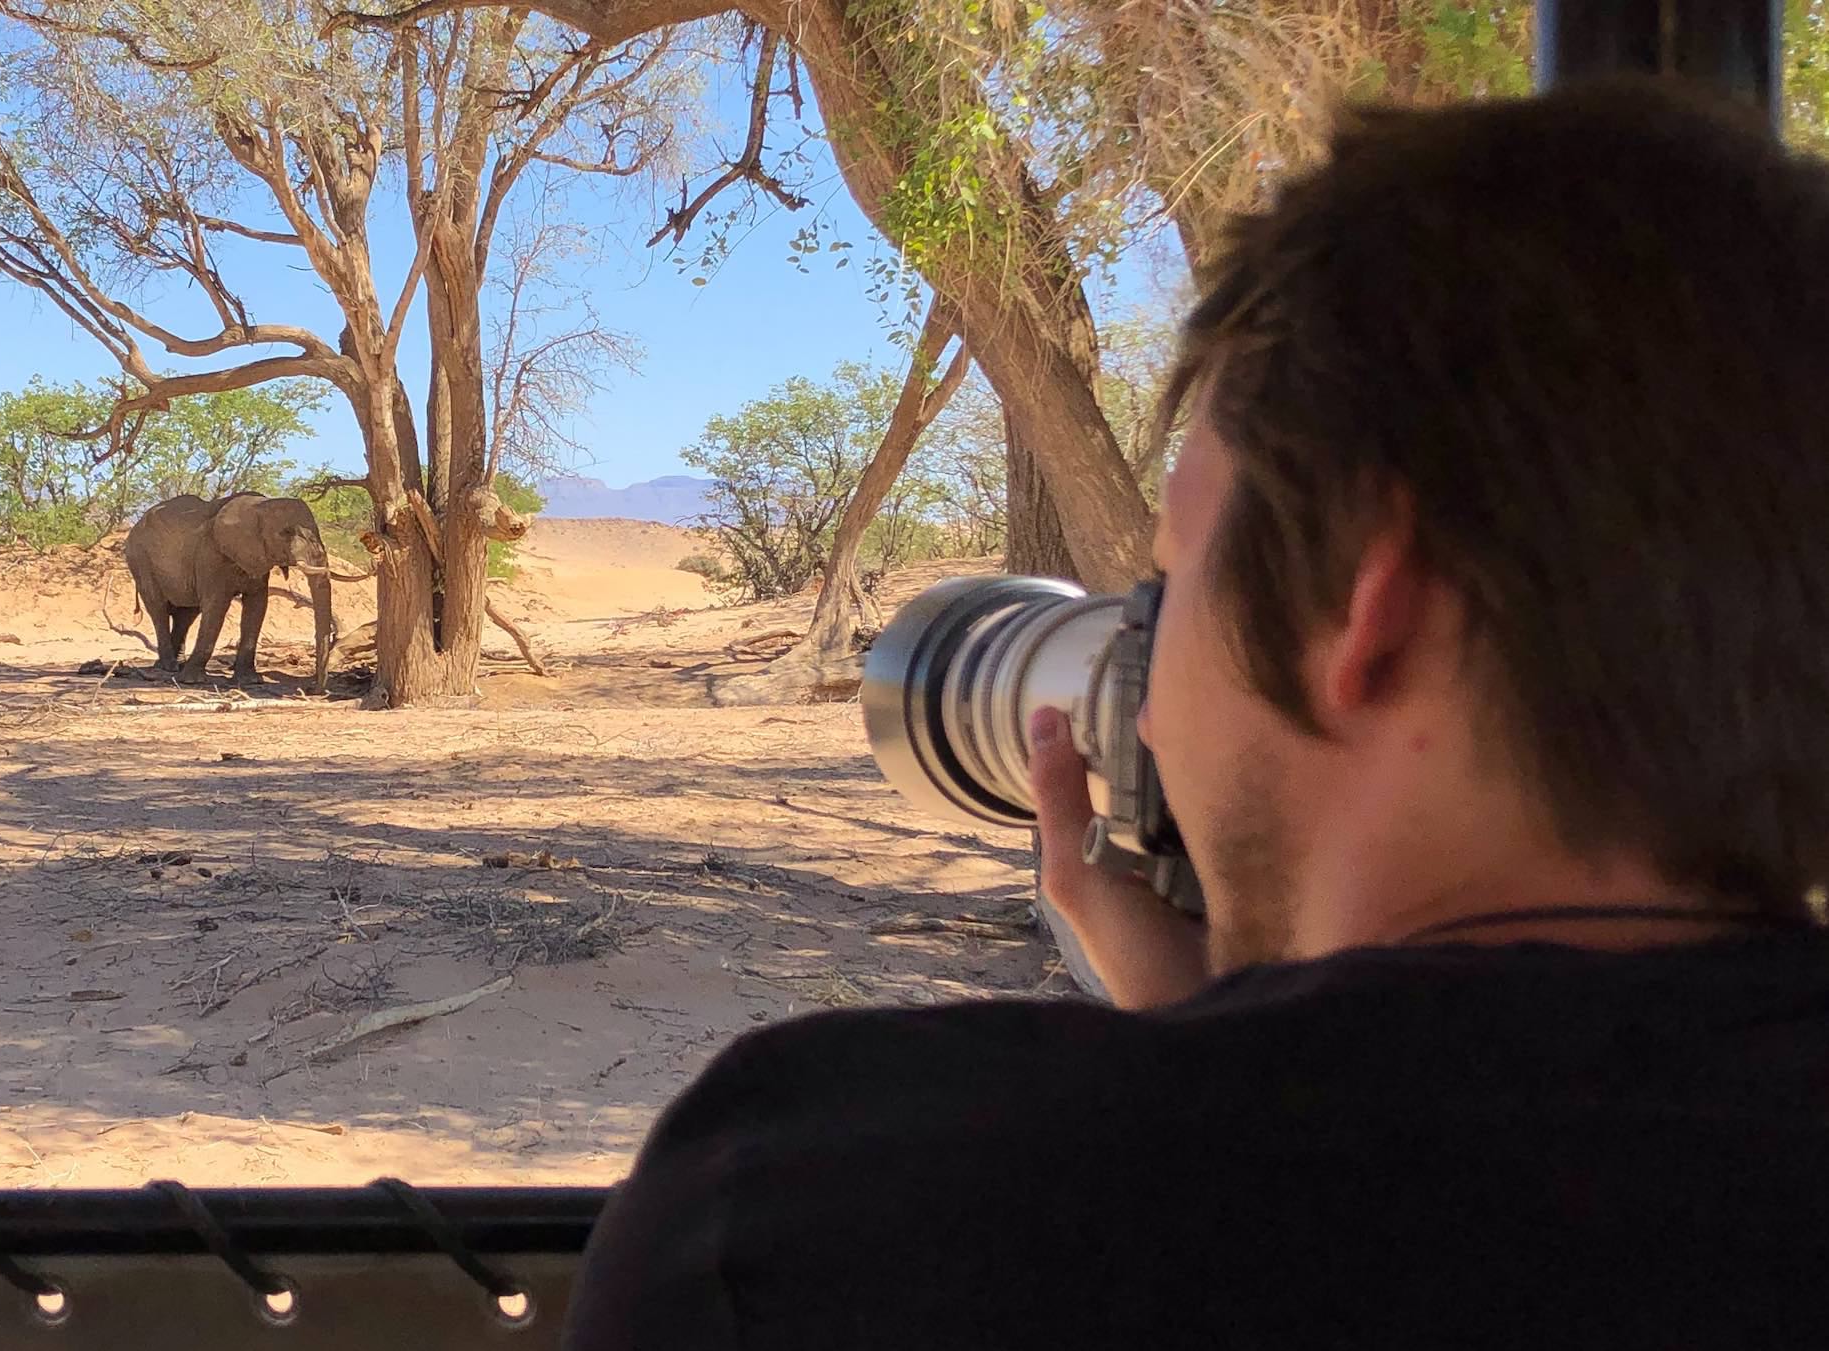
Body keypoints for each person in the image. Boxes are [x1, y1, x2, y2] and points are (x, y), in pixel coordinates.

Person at [564, 78, 1829, 1351]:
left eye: (1171, 579)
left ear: (1360, 599)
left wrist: (1199, 1062)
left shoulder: (820, 1218)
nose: (1145, 694)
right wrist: (1225, 1025)